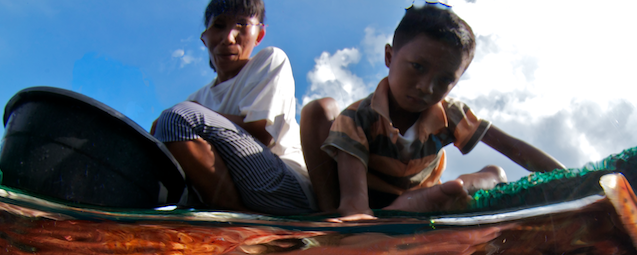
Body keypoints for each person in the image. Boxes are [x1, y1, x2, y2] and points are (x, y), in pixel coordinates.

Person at [300, 3, 566, 220]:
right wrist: (357, 219)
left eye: (444, 80)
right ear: (390, 58)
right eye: (417, 66)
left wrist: (569, 179)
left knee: (496, 173)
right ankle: (408, 207)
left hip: (426, 196)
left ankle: (443, 195)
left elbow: (512, 148)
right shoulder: (358, 118)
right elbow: (354, 204)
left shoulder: (449, 114)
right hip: (373, 201)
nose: (427, 87)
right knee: (360, 211)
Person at [153, 0, 316, 216]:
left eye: (242, 25)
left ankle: (238, 222)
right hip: (227, 189)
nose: (229, 38)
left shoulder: (269, 61)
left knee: (175, 118)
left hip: (284, 189)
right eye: (219, 26)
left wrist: (183, 116)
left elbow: (261, 134)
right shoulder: (197, 98)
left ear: (259, 35)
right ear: (205, 37)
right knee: (160, 133)